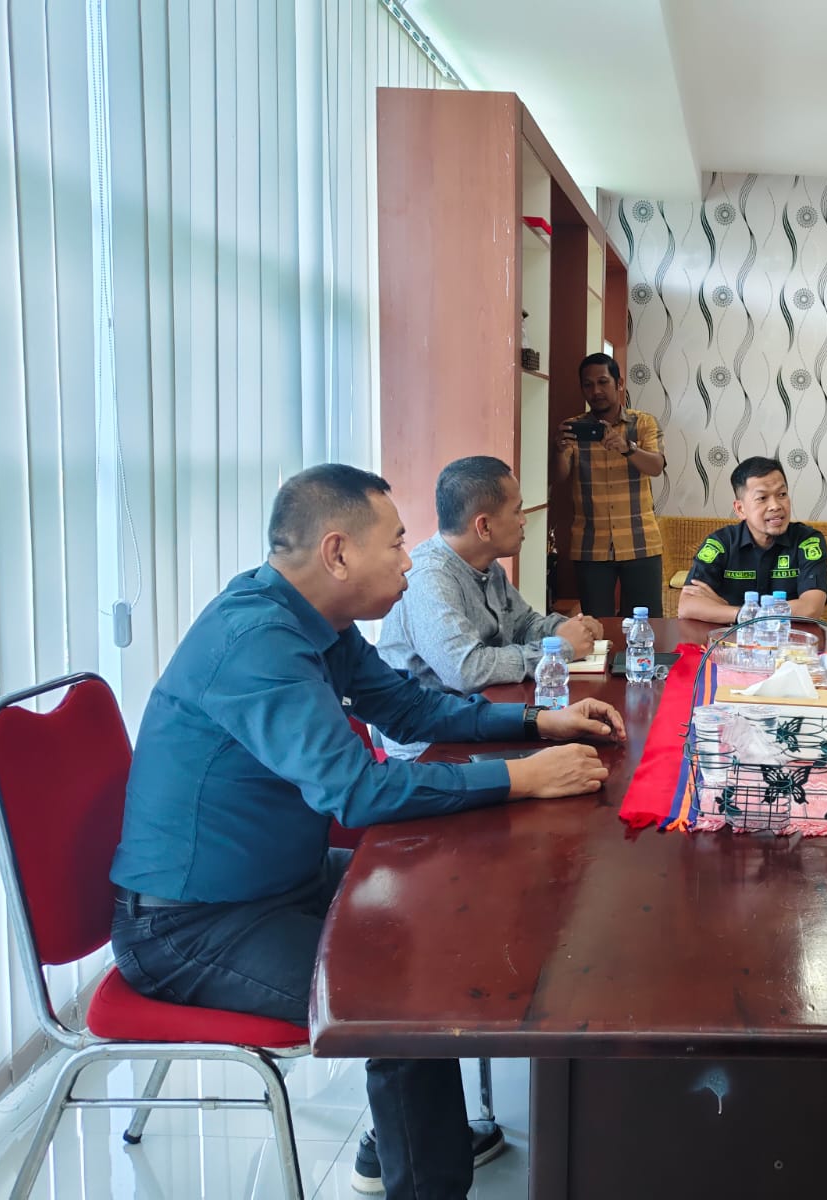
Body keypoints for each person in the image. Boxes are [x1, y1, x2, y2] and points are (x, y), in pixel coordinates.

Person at [109, 464, 627, 1200]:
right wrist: (522, 777)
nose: (409, 561)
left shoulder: (319, 624)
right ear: (337, 552)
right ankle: (419, 1172)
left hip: (281, 879)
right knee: (400, 1000)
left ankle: (403, 1139)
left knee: (440, 909)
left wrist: (536, 721)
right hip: (192, 923)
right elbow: (355, 791)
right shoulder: (256, 641)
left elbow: (411, 709)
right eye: (396, 543)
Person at [376, 455, 603, 758]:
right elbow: (467, 670)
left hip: (482, 717)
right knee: (575, 760)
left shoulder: (486, 565)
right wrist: (560, 649)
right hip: (431, 748)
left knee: (586, 741)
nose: (523, 520)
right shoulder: (430, 579)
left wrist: (568, 628)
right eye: (517, 510)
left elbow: (523, 623)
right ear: (483, 526)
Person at [554, 353, 666, 617]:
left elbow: (656, 467)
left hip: (640, 540)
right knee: (596, 624)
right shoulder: (574, 428)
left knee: (646, 622)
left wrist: (627, 448)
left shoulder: (643, 423)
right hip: (590, 544)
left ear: (619, 383)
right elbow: (559, 477)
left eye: (603, 382)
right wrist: (558, 450)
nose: (596, 391)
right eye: (588, 384)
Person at [677, 455, 827, 623]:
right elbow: (687, 605)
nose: (776, 506)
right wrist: (742, 613)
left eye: (782, 494)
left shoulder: (807, 541)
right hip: (733, 637)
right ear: (740, 509)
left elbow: (811, 608)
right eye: (762, 498)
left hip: (790, 637)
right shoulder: (721, 543)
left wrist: (727, 608)